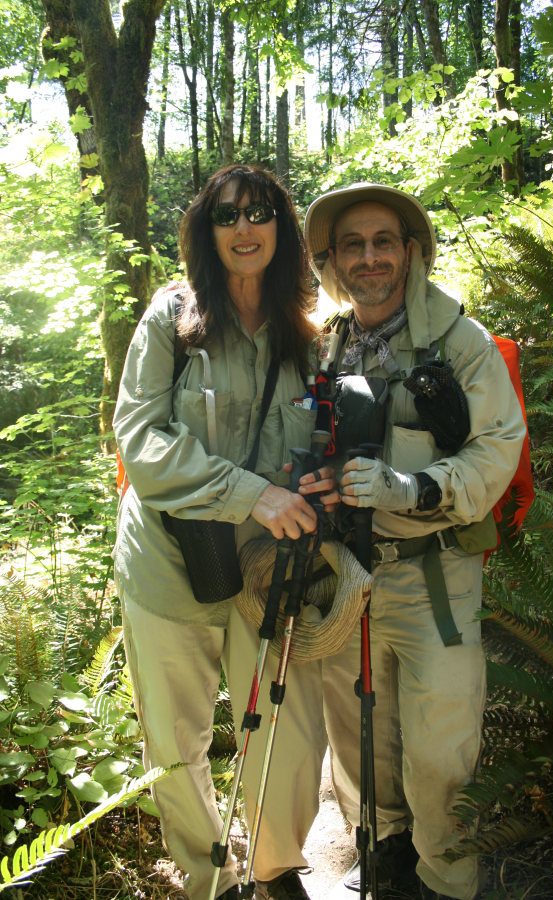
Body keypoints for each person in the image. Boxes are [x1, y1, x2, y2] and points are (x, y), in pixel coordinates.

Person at [112, 164, 339, 900]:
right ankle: (216, 876)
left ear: (282, 226)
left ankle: (275, 868)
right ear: (206, 231)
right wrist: (252, 494)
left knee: (283, 727)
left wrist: (313, 483)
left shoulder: (305, 328)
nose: (246, 227)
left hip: (259, 568)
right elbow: (140, 440)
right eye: (228, 215)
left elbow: (320, 440)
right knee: (176, 741)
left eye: (261, 211)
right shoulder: (171, 318)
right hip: (166, 562)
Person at [304, 183, 527, 900]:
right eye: (353, 245)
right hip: (346, 578)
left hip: (435, 577)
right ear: (332, 259)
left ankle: (447, 879)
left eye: (384, 242)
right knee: (361, 743)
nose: (370, 258)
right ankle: (384, 852)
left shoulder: (460, 342)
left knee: (440, 747)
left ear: (410, 251)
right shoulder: (322, 345)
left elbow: (498, 446)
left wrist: (413, 488)